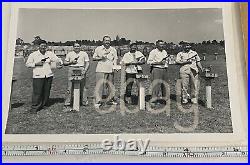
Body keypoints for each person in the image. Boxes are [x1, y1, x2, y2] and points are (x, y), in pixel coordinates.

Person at [26, 40, 63, 114]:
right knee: (37, 92)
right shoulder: (33, 54)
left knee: (46, 91)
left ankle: (44, 104)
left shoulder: (49, 54)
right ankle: (35, 107)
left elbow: (57, 59)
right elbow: (27, 64)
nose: (43, 47)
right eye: (42, 46)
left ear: (46, 47)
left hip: (48, 75)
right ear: (38, 46)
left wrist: (60, 63)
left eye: (45, 46)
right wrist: (36, 64)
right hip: (38, 76)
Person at [93, 36, 118, 107]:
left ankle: (110, 100)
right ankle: (98, 101)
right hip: (100, 69)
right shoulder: (98, 49)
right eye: (106, 40)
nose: (107, 42)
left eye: (109, 41)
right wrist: (101, 57)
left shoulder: (113, 49)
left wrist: (115, 67)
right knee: (99, 85)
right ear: (103, 41)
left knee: (110, 85)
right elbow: (94, 58)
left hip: (110, 70)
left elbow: (115, 59)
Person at [63, 42, 90, 107]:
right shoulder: (70, 54)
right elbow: (65, 62)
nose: (77, 47)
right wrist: (71, 62)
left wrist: (85, 70)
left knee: (83, 86)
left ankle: (84, 102)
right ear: (73, 47)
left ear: (80, 47)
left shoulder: (84, 53)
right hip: (72, 68)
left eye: (78, 46)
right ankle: (68, 102)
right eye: (75, 46)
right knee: (70, 86)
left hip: (81, 68)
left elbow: (87, 63)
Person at [147, 40, 169, 106]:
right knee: (156, 85)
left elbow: (166, 60)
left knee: (165, 85)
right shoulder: (153, 52)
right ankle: (153, 101)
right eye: (160, 44)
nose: (162, 46)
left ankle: (165, 100)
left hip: (164, 69)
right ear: (157, 45)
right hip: (156, 69)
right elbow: (149, 62)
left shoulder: (164, 51)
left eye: (163, 44)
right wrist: (158, 63)